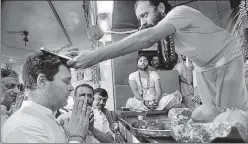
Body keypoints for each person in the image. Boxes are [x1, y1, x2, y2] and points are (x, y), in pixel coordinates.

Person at [67, 0, 248, 110]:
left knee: (231, 120)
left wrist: (94, 56)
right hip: (204, 69)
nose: (142, 22)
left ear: (161, 7)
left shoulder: (180, 12)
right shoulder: (170, 35)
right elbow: (143, 36)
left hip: (226, 57)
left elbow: (147, 37)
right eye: (139, 19)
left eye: (145, 15)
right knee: (211, 117)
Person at [1, 51, 91, 143]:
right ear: (42, 82)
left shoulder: (43, 118)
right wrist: (76, 138)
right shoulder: (24, 126)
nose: (71, 88)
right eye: (66, 81)